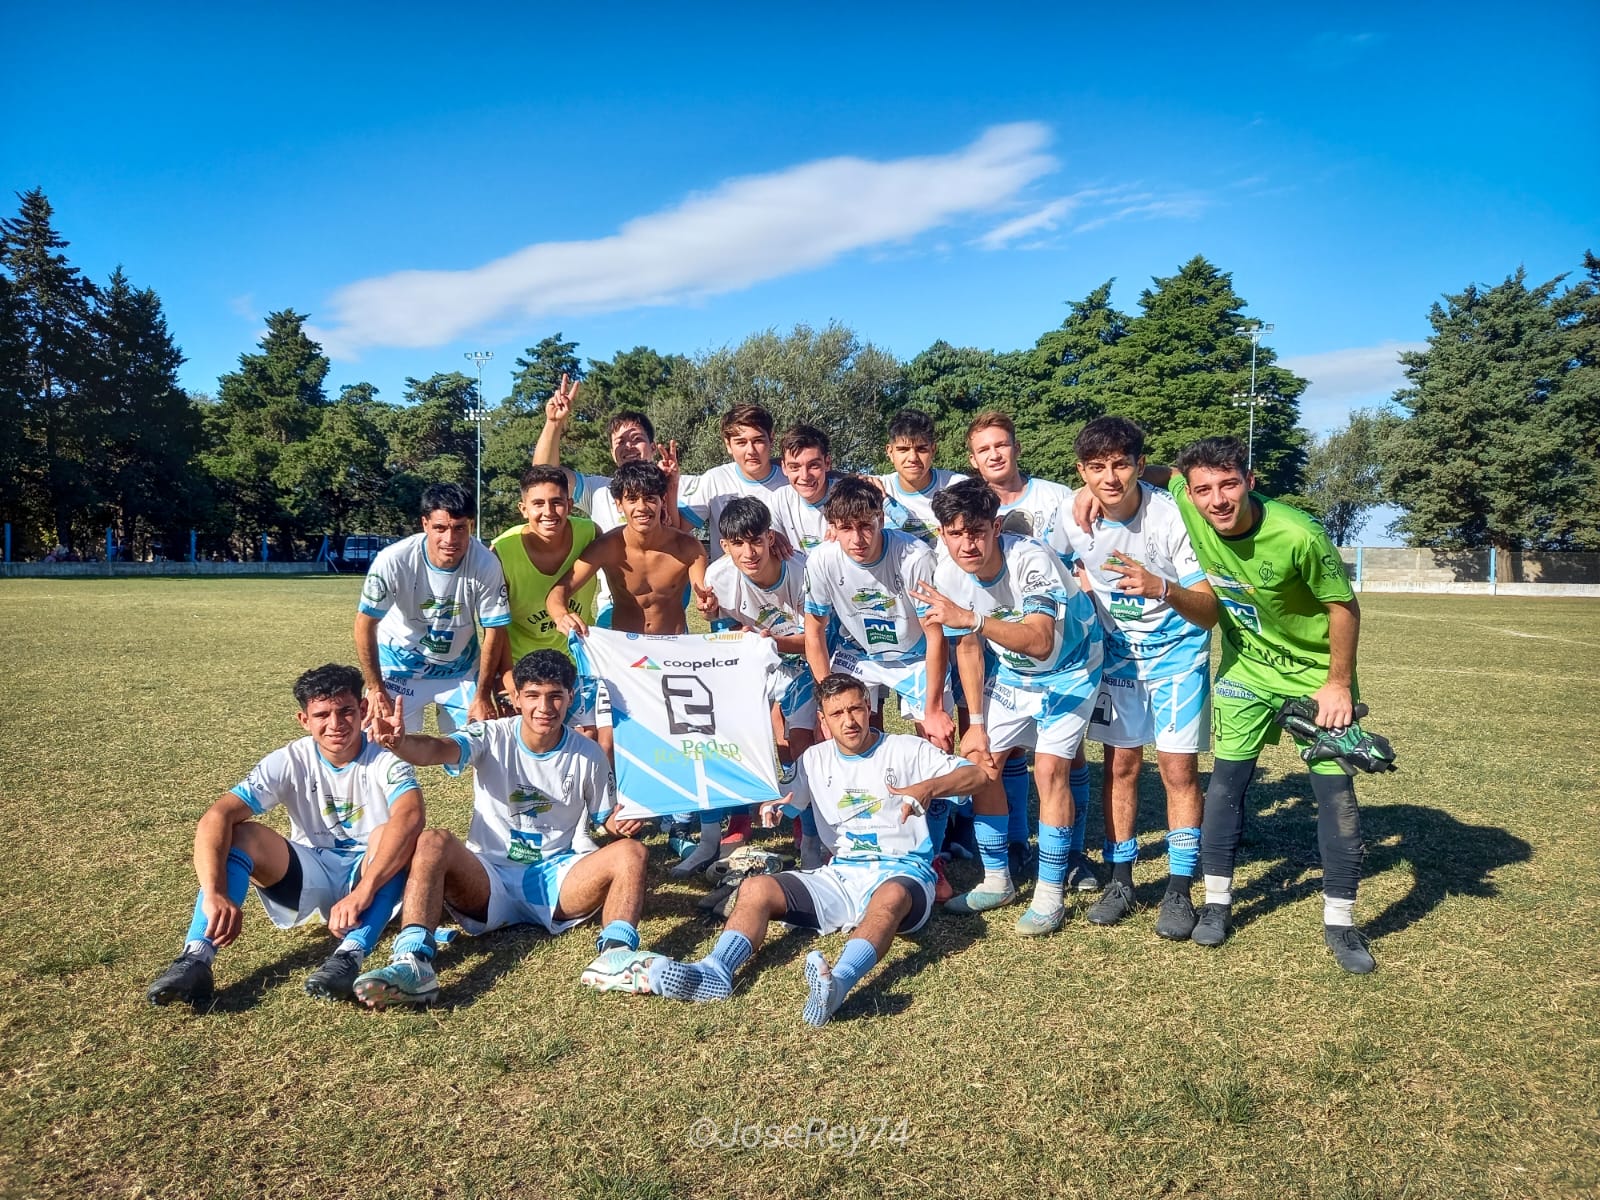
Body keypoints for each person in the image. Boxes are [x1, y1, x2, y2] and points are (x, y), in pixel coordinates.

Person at [1094, 437, 1377, 973]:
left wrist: (1338, 684)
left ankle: (1341, 921)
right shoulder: (1186, 498)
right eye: (1204, 489)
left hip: (1317, 678)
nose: (1216, 500)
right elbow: (1154, 471)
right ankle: (1218, 904)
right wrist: (1103, 492)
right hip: (1245, 670)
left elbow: (1344, 607)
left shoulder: (1300, 534)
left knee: (1334, 792)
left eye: (1228, 485)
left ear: (1250, 481)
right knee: (1226, 784)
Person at [597, 672, 988, 1025]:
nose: (849, 720)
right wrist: (773, 807)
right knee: (755, 889)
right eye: (837, 714)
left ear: (869, 707)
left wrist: (928, 787)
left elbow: (976, 775)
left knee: (890, 897)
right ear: (822, 720)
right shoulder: (813, 759)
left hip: (903, 873)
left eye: (855, 708)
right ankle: (716, 971)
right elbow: (787, 800)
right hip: (840, 874)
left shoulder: (906, 750)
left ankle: (838, 985)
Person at [352, 650, 653, 1007]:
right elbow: (439, 748)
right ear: (516, 698)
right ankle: (413, 962)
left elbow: (607, 817)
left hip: (557, 880)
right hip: (489, 878)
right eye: (533, 695)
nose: (545, 707)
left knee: (631, 854)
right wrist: (401, 743)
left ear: (571, 697)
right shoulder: (490, 735)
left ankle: (615, 956)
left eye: (556, 695)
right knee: (433, 841)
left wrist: (623, 823)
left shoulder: (588, 753)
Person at [145, 664, 424, 1006]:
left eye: (346, 711)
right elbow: (216, 816)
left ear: (363, 710)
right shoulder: (289, 759)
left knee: (393, 834)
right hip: (310, 875)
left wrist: (362, 892)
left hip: (371, 878)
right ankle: (196, 957)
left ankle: (348, 956)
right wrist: (214, 892)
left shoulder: (385, 758)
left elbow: (411, 816)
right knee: (243, 835)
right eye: (322, 714)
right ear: (303, 720)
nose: (335, 724)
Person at [915, 478, 1102, 928]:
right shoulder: (947, 573)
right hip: (1015, 673)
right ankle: (997, 880)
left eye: (977, 530)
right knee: (984, 764)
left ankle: (1050, 893)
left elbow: (1039, 641)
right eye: (956, 533)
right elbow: (968, 648)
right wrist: (976, 722)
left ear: (996, 526)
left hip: (1072, 665)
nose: (968, 543)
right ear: (942, 534)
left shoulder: (1031, 558)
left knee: (1050, 768)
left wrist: (973, 619)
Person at [1063, 417, 1217, 938]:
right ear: (1081, 471)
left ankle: (1178, 889)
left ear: (1137, 465)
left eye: (1122, 464)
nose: (1110, 478)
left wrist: (1161, 587)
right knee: (1121, 766)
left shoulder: (1172, 517)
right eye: (1097, 468)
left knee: (1178, 773)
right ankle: (1121, 879)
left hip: (1178, 658)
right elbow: (1018, 538)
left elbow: (1211, 609)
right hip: (1119, 661)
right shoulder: (1071, 513)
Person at [964, 411, 1095, 889]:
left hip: (1060, 639)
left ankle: (1072, 854)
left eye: (1001, 444)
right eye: (984, 449)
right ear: (974, 460)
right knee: (1004, 753)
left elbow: (1086, 550)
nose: (995, 454)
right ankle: (1015, 845)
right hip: (1004, 645)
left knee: (1064, 755)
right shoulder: (970, 505)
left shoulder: (1057, 497)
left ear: (1016, 447)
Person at [354, 483, 510, 735]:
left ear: (470, 525)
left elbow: (494, 631)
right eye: (440, 528)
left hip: (458, 670)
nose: (450, 539)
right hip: (398, 668)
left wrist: (482, 695)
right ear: (425, 524)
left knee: (487, 741)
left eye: (460, 528)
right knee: (381, 740)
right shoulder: (393, 560)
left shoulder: (486, 563)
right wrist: (375, 687)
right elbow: (365, 623)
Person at [489, 465, 605, 731]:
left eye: (556, 503)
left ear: (570, 504)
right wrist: (507, 678)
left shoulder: (590, 534)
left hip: (579, 662)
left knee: (592, 744)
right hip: (523, 666)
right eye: (538, 504)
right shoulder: (502, 552)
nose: (548, 513)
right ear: (523, 509)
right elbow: (495, 624)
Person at [546, 461, 709, 638]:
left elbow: (705, 601)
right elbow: (559, 591)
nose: (641, 507)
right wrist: (561, 615)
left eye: (650, 499)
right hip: (625, 650)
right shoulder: (607, 547)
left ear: (662, 500)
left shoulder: (688, 548)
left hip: (673, 648)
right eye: (632, 499)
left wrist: (707, 604)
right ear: (619, 504)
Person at [679, 404, 789, 561]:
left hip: (787, 582)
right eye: (741, 442)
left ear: (771, 439)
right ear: (728, 445)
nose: (751, 451)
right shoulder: (715, 479)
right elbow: (678, 529)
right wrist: (671, 484)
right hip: (730, 583)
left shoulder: (792, 481)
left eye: (758, 440)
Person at [874, 407, 968, 548]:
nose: (913, 458)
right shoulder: (875, 488)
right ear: (890, 451)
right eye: (903, 449)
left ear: (933, 450)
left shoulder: (959, 487)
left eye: (921, 449)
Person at [768, 423, 838, 552]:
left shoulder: (848, 496)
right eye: (795, 467)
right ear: (784, 468)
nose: (805, 476)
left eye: (813, 465)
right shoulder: (779, 500)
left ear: (827, 463)